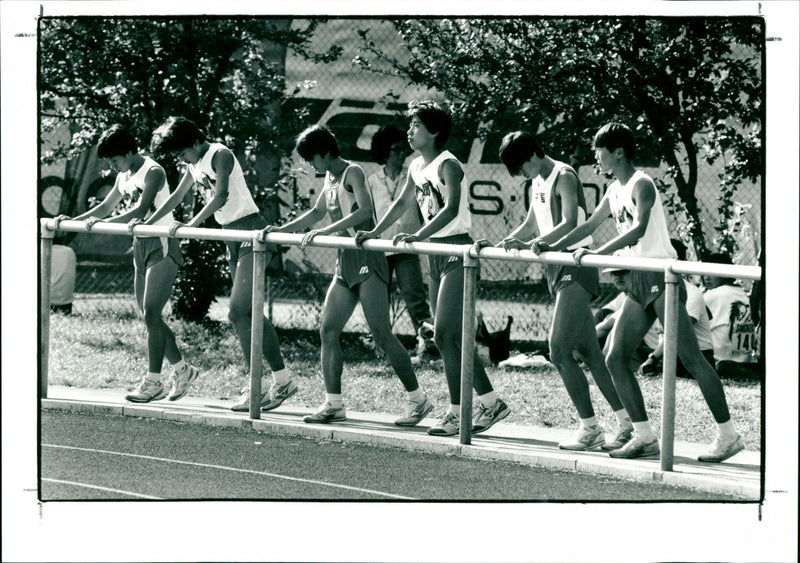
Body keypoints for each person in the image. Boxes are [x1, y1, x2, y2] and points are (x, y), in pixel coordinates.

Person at [539, 122, 744, 462]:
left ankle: (729, 435)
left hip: (661, 276)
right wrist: (551, 246)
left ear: (618, 151)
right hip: (637, 279)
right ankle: (645, 436)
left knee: (692, 359)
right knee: (614, 356)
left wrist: (599, 253)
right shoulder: (613, 190)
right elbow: (588, 225)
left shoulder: (641, 183)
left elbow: (639, 229)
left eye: (599, 151)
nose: (595, 157)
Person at [258, 125, 433, 427]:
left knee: (381, 332)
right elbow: (315, 214)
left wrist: (327, 230)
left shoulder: (353, 172)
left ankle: (419, 400)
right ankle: (333, 404)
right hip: (345, 261)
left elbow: (365, 212)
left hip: (367, 259)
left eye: (312, 159)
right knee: (328, 330)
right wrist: (280, 230)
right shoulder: (328, 177)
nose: (311, 165)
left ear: (326, 152)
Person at [356, 100, 510, 437]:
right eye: (410, 126)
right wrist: (378, 230)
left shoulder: (448, 165)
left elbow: (452, 208)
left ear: (435, 131)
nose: (410, 132)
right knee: (448, 337)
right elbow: (401, 203)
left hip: (456, 250)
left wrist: (419, 234)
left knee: (444, 335)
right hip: (434, 254)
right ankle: (489, 402)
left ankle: (458, 411)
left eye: (416, 127)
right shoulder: (415, 166)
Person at [475, 131, 632, 451]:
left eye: (520, 168)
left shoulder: (564, 175)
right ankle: (628, 422)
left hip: (575, 267)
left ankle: (590, 428)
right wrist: (512, 240)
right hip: (555, 269)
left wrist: (545, 244)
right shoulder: (536, 183)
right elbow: (533, 224)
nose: (520, 175)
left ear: (532, 155)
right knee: (591, 354)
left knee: (558, 350)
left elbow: (570, 222)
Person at [145, 116, 296, 412]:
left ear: (193, 141)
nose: (180, 159)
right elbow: (177, 196)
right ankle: (283, 379)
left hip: (251, 232)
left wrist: (191, 225)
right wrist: (148, 222)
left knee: (237, 313)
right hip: (230, 237)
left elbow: (221, 195)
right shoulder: (193, 164)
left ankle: (257, 386)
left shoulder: (220, 154)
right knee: (251, 314)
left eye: (181, 152)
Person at [52, 125, 199, 403]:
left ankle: (153, 381)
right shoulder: (123, 175)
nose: (111, 165)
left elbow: (141, 211)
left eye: (115, 159)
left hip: (161, 244)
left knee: (152, 313)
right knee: (149, 316)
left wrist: (101, 225)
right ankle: (182, 370)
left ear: (130, 151)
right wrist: (73, 221)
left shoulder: (153, 171)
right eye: (108, 161)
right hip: (140, 246)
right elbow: (105, 208)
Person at [367, 125, 437, 360]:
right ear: (384, 152)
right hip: (380, 248)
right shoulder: (372, 181)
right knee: (379, 300)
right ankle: (382, 349)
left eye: (402, 149)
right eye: (395, 149)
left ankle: (428, 346)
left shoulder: (414, 174)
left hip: (406, 245)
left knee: (415, 298)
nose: (401, 153)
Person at [639, 239, 715, 377]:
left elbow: (676, 333)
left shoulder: (691, 292)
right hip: (666, 352)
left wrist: (652, 358)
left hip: (692, 354)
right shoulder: (653, 290)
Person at [703, 252, 761, 379]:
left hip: (719, 361)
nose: (706, 278)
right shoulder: (741, 294)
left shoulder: (712, 295)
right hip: (743, 361)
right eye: (705, 273)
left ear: (725, 273)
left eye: (712, 273)